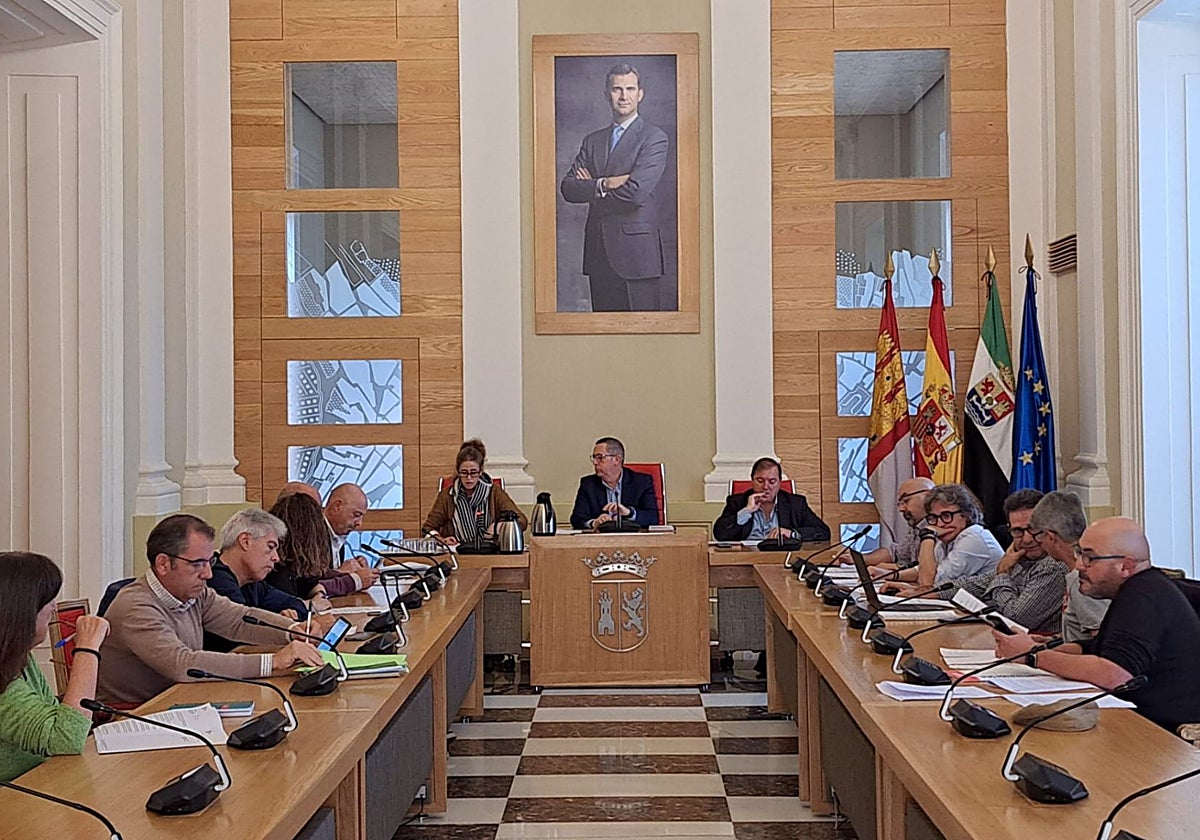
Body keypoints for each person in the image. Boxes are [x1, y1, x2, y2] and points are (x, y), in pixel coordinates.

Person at [993, 517, 1200, 732]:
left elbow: (1117, 674)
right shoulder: (1141, 587)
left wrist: (1031, 656)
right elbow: (1102, 648)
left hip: (1163, 734)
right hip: (1132, 720)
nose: (1079, 564)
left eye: (1090, 558)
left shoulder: (1144, 596)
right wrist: (1048, 646)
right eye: (1080, 553)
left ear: (1125, 566)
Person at [97, 514, 325, 706]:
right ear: (163, 564)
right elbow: (182, 664)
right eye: (198, 564)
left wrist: (293, 630)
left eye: (209, 562)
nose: (208, 574)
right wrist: (273, 661)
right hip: (132, 716)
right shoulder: (136, 607)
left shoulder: (195, 593)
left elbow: (238, 619)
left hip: (180, 702)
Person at [560, 63, 670, 312]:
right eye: (617, 89)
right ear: (606, 94)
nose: (623, 96)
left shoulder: (654, 138)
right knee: (603, 340)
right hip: (599, 255)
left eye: (630, 88)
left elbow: (636, 193)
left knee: (643, 342)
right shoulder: (592, 141)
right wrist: (605, 183)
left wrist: (591, 189)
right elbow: (568, 188)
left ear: (640, 94)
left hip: (637, 258)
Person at [0, 552, 110, 781]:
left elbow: (57, 717)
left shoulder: (21, 658)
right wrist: (87, 648)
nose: (54, 608)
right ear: (23, 610)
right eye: (47, 600)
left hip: (43, 781)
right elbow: (65, 738)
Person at [934, 489, 1065, 634]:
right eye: (1018, 531)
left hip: (1038, 648)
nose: (1027, 539)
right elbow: (979, 583)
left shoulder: (1053, 565)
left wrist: (1002, 574)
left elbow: (1016, 618)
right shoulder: (1021, 558)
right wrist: (932, 593)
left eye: (1032, 529)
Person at [206, 508, 333, 652]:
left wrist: (289, 618)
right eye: (270, 547)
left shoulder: (252, 583)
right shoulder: (216, 579)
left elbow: (295, 603)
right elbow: (242, 634)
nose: (276, 558)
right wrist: (292, 629)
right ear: (245, 541)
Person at [888, 484, 1002, 593]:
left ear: (966, 515)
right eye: (933, 517)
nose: (940, 524)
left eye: (946, 516)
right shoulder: (948, 538)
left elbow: (929, 584)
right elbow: (923, 570)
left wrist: (927, 536)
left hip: (989, 608)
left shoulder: (974, 537)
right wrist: (891, 575)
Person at [1030, 490, 1109, 642]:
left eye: (1038, 536)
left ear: (1050, 537)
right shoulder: (1079, 572)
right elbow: (1080, 632)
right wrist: (1054, 641)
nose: (1037, 542)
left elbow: (1101, 644)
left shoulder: (1083, 580)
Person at [423, 439, 528, 548]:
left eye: (473, 473)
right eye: (464, 473)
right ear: (458, 471)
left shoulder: (494, 492)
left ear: (481, 471)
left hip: (490, 552)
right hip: (458, 553)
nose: (469, 478)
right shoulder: (447, 495)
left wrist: (500, 526)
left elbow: (522, 521)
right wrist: (441, 540)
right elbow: (427, 529)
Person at [267, 493, 371, 600]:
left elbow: (310, 583)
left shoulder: (295, 559)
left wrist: (345, 576)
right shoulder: (277, 567)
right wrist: (354, 581)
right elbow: (287, 603)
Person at [712, 457, 830, 543]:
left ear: (779, 483)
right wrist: (746, 511)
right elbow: (720, 534)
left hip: (782, 559)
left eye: (772, 481)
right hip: (745, 558)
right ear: (752, 481)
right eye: (760, 480)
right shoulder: (737, 502)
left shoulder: (795, 504)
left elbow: (824, 532)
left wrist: (792, 534)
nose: (766, 486)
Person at [569, 437, 659, 529]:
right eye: (594, 458)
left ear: (617, 459)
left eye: (600, 457)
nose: (595, 462)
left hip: (633, 540)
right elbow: (576, 519)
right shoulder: (588, 484)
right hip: (599, 541)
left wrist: (629, 513)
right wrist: (594, 523)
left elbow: (653, 518)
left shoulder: (641, 482)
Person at [857, 476, 934, 571]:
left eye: (906, 501)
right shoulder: (918, 527)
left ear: (928, 496)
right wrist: (860, 559)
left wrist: (895, 569)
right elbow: (896, 553)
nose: (901, 509)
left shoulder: (942, 526)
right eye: (900, 503)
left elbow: (933, 570)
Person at [324, 483, 379, 586]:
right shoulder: (311, 534)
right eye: (356, 515)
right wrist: (340, 574)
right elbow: (307, 581)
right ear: (337, 507)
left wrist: (358, 573)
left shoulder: (337, 534)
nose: (359, 523)